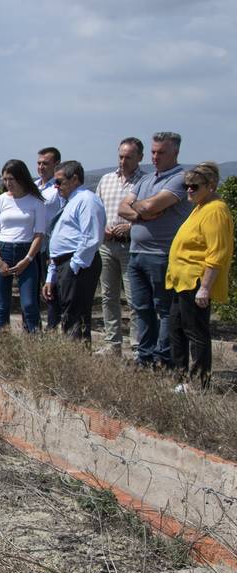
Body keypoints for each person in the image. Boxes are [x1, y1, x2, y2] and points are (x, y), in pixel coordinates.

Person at [118, 132, 193, 367]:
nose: (155, 157)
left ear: (175, 153)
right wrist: (145, 212)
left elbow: (150, 204)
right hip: (137, 252)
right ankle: (145, 356)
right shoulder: (146, 180)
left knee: (164, 309)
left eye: (161, 152)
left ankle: (163, 358)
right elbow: (123, 208)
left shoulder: (180, 179)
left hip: (162, 254)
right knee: (141, 308)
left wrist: (140, 208)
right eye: (153, 152)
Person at [165, 162, 233, 390]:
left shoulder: (215, 210)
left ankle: (198, 383)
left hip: (195, 281)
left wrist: (205, 287)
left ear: (211, 186)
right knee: (176, 329)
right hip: (181, 281)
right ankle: (180, 378)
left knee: (196, 332)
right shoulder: (200, 206)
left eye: (194, 186)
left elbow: (217, 252)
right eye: (187, 186)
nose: (189, 191)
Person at [41, 161, 106, 341]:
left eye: (60, 182)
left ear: (75, 179)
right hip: (63, 264)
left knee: (76, 316)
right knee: (68, 315)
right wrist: (52, 275)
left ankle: (78, 359)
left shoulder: (87, 200)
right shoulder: (70, 202)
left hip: (77, 264)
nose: (56, 186)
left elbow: (90, 237)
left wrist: (74, 266)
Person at [94, 138, 146, 356]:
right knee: (108, 296)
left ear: (140, 158)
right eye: (121, 156)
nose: (123, 161)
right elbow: (97, 209)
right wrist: (101, 228)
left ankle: (137, 346)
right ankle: (112, 344)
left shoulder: (145, 181)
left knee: (135, 299)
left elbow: (151, 214)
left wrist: (130, 226)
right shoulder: (106, 180)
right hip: (106, 245)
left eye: (128, 157)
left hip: (131, 246)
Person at [0, 159, 47, 332]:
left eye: (11, 179)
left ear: (21, 178)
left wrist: (27, 259)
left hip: (26, 252)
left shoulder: (36, 202)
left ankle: (34, 344)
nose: (8, 183)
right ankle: (4, 344)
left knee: (29, 304)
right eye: (5, 179)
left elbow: (39, 234)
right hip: (2, 250)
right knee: (2, 305)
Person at [35, 147, 65, 329]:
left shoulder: (59, 188)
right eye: (39, 163)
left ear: (56, 164)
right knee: (36, 288)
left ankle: (53, 328)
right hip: (35, 244)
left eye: (45, 163)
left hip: (51, 245)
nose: (41, 167)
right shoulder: (35, 186)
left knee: (52, 289)